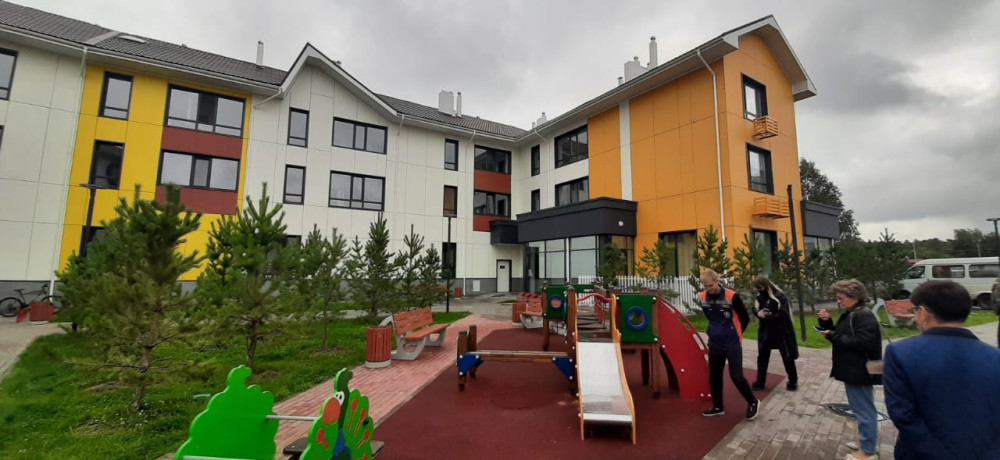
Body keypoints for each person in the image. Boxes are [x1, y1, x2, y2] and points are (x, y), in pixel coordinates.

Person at [883, 280, 1000, 459]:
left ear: (923, 312)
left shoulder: (900, 353)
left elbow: (903, 414)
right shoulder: (995, 356)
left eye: (914, 310)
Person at [817, 279, 881, 460]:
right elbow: (843, 334)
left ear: (854, 297)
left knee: (864, 409)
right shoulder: (852, 313)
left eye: (841, 298)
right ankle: (866, 441)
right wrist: (827, 323)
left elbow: (862, 343)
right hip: (854, 368)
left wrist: (832, 335)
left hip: (860, 370)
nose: (838, 301)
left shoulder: (863, 316)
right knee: (860, 407)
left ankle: (867, 452)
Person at [696, 269, 759, 420]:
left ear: (717, 281)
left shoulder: (732, 296)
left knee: (736, 376)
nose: (708, 289)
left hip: (732, 342)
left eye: (710, 285)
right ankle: (718, 406)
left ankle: (752, 401)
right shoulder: (702, 297)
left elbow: (744, 318)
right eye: (705, 286)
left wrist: (736, 333)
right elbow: (710, 317)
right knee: (714, 376)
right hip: (715, 342)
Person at [750, 276, 799, 391]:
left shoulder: (780, 296)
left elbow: (784, 314)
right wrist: (758, 313)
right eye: (757, 289)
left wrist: (769, 316)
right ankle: (760, 381)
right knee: (762, 357)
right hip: (766, 331)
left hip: (781, 331)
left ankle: (793, 381)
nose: (759, 291)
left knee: (787, 356)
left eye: (760, 288)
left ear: (766, 286)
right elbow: (754, 309)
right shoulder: (760, 297)